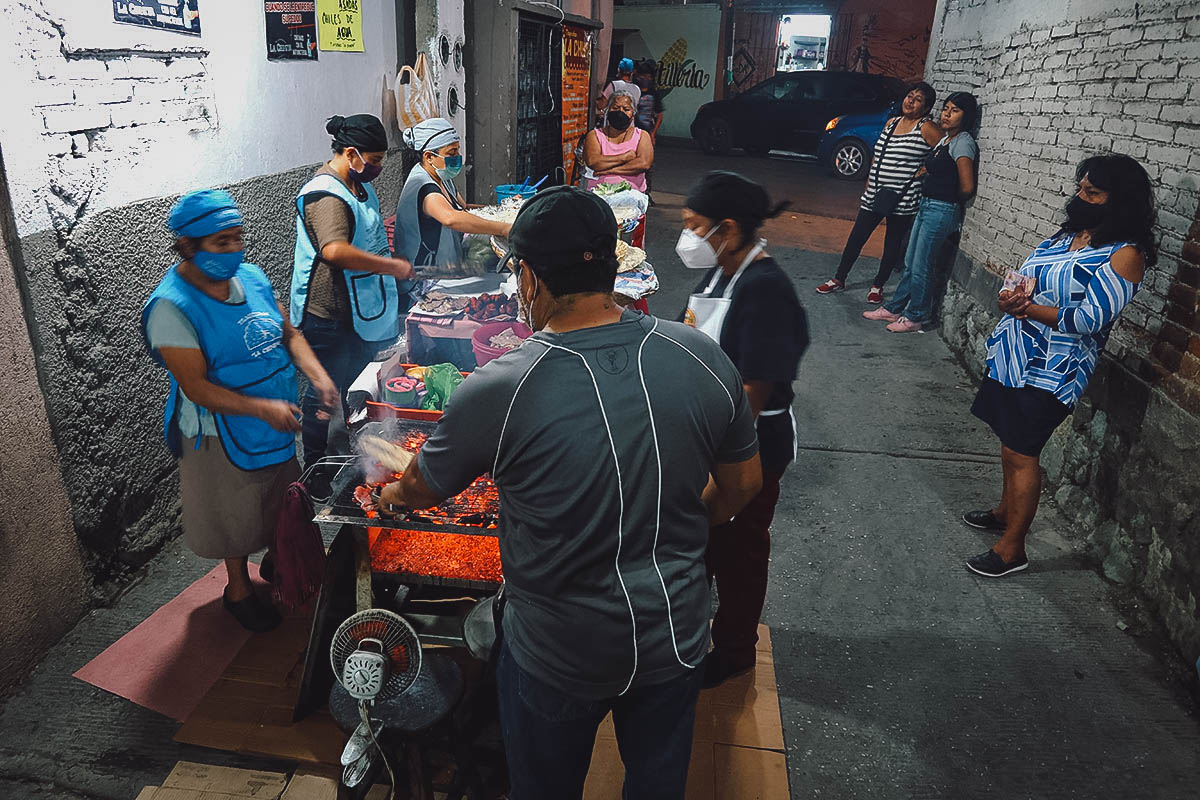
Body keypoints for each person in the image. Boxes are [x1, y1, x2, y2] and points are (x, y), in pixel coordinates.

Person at [378, 186, 762, 799]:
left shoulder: (502, 385)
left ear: (528, 277)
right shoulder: (701, 356)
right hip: (676, 633)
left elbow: (421, 487)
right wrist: (670, 529)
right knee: (658, 784)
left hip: (560, 649)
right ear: (614, 262)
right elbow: (743, 486)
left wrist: (394, 492)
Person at [142, 190, 339, 631]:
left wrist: (318, 376)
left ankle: (277, 560)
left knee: (276, 497)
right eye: (220, 243)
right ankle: (238, 589)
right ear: (188, 246)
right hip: (218, 428)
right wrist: (261, 409)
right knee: (235, 510)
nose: (233, 250)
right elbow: (196, 387)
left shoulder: (251, 278)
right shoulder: (171, 308)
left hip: (273, 416)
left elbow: (288, 335)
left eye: (237, 239)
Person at [963, 154, 1156, 577]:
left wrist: (1029, 309)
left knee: (1023, 451)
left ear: (1118, 200)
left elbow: (1089, 320)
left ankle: (1012, 549)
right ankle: (1003, 511)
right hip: (1015, 355)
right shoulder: (1069, 235)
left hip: (1054, 369)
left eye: (1093, 192)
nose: (1080, 196)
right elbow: (1026, 279)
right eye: (1080, 187)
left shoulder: (1124, 255)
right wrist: (1010, 299)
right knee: (1008, 443)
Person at [676, 172, 809, 687]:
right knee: (703, 543)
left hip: (748, 444)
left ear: (726, 229)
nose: (686, 237)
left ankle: (735, 650)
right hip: (707, 433)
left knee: (740, 549)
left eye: (694, 226)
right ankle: (689, 631)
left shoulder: (767, 289)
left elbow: (755, 390)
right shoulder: (720, 274)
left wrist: (716, 458)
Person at [290, 114, 413, 471]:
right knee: (322, 391)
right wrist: (391, 266)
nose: (376, 168)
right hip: (326, 313)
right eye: (372, 162)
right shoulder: (324, 195)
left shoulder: (359, 185)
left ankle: (347, 450)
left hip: (358, 308)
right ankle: (315, 466)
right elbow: (334, 251)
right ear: (350, 153)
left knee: (348, 384)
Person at [816, 82, 941, 303]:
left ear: (926, 107)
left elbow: (944, 153)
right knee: (857, 237)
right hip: (875, 192)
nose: (910, 101)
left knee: (892, 242)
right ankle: (839, 278)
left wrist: (926, 169)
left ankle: (877, 285)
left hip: (903, 197)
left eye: (918, 99)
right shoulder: (892, 123)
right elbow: (877, 154)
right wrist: (869, 181)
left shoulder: (926, 128)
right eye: (909, 96)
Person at [865, 91, 979, 332]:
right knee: (910, 262)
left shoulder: (964, 141)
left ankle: (916, 316)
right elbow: (935, 168)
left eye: (954, 110)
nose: (947, 114)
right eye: (946, 108)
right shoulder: (945, 139)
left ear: (966, 116)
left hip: (941, 210)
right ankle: (895, 308)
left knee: (922, 265)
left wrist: (945, 196)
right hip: (926, 205)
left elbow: (967, 186)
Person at [394, 117, 512, 280]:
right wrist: (503, 228)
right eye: (451, 153)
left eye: (457, 150)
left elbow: (463, 208)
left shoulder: (442, 177)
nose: (457, 156)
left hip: (448, 265)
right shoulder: (422, 185)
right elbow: (451, 218)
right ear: (429, 156)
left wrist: (505, 210)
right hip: (423, 277)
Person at [584, 91, 654, 194]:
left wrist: (609, 171)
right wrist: (624, 157)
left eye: (626, 109)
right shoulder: (594, 135)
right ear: (607, 111)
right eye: (616, 108)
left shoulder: (642, 136)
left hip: (631, 196)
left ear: (633, 114)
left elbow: (643, 164)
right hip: (599, 195)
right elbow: (593, 162)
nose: (620, 112)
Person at [633, 60, 664, 143]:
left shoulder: (654, 94)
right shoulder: (633, 90)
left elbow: (659, 116)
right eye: (643, 76)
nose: (646, 79)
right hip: (632, 132)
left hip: (647, 132)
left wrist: (653, 133)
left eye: (648, 76)